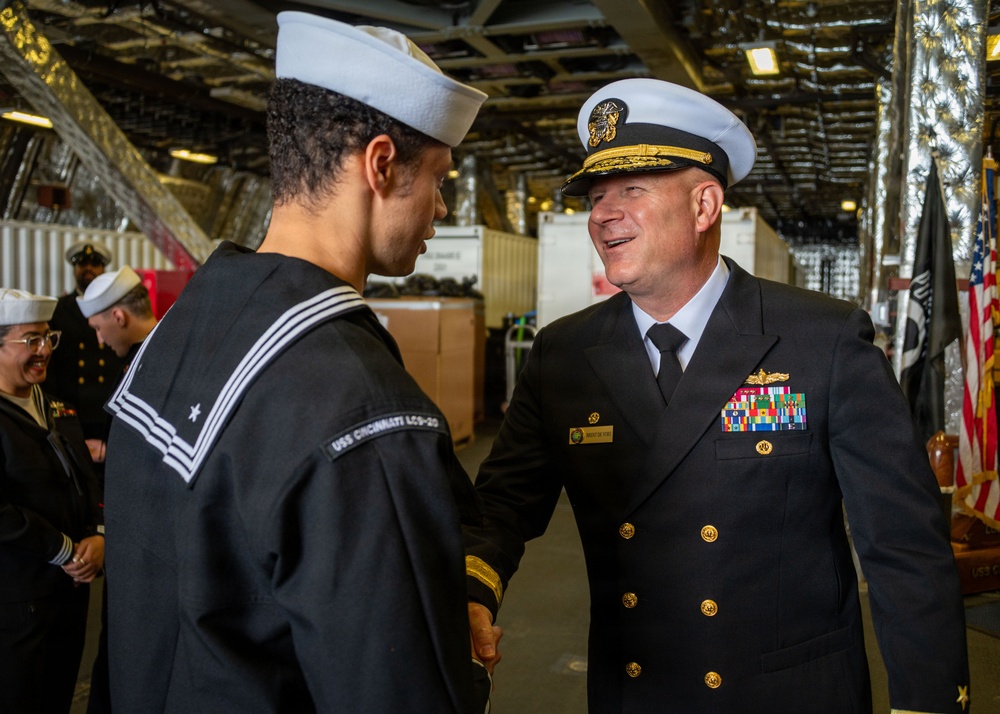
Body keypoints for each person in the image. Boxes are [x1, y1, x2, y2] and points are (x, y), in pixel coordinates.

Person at [465, 78, 970, 713]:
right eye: (595, 197)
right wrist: (471, 594)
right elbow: (501, 505)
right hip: (638, 692)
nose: (602, 214)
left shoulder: (822, 340)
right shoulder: (563, 354)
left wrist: (928, 703)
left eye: (631, 190)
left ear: (704, 205)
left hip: (787, 696)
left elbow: (903, 544)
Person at [102, 12, 494, 713]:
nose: (439, 207)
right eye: (438, 178)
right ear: (380, 164)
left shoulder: (182, 329)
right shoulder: (362, 407)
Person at [0, 288, 105, 714]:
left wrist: (97, 535)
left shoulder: (57, 407)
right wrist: (63, 550)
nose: (44, 350)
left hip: (68, 595)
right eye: (31, 340)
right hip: (16, 601)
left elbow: (86, 480)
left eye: (48, 337)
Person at [76, 265, 158, 714]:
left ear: (119, 317)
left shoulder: (154, 359)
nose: (98, 340)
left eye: (98, 327)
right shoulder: (148, 354)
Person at [46, 241, 126, 463]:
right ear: (74, 268)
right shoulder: (58, 309)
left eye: (94, 263)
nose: (88, 268)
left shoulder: (116, 309)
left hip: (107, 411)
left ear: (103, 269)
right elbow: (51, 366)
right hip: (71, 412)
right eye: (82, 263)